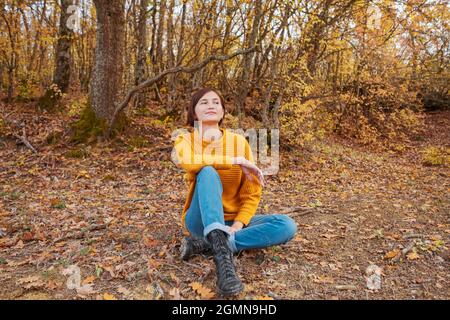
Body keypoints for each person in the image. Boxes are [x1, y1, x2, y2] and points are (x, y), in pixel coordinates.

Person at [172, 87, 297, 297]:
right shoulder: (185, 140)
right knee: (208, 171)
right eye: (203, 102)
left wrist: (238, 225)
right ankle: (223, 261)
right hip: (199, 220)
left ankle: (212, 243)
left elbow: (251, 192)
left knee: (286, 225)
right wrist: (232, 161)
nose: (210, 105)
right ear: (194, 112)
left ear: (222, 111)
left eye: (215, 102)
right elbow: (189, 162)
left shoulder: (238, 142)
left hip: (230, 222)